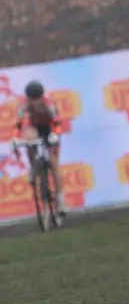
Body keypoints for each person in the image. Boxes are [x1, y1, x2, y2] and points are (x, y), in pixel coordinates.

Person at [15, 81, 66, 213]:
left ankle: (60, 202)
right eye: (33, 99)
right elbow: (19, 124)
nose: (35, 102)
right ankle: (33, 168)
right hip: (35, 128)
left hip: (50, 129)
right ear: (28, 98)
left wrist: (55, 134)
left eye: (38, 99)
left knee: (55, 166)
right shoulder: (24, 105)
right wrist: (16, 137)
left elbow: (57, 122)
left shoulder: (49, 104)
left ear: (42, 97)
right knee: (29, 138)